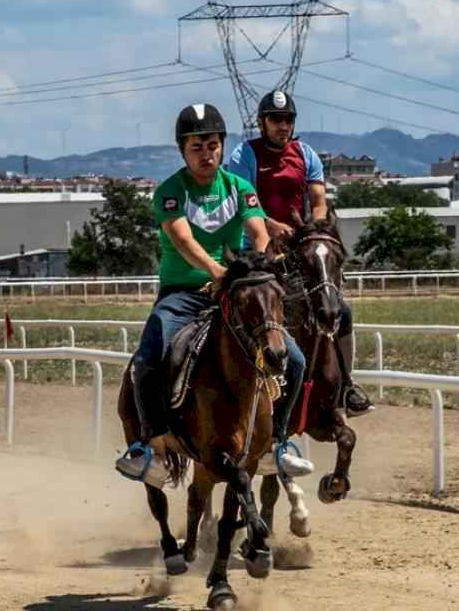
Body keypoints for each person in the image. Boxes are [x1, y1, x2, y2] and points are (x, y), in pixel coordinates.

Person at [116, 103, 311, 484]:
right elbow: (183, 239)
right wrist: (215, 270)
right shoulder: (170, 192)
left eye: (212, 145)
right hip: (182, 293)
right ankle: (148, 444)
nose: (206, 154)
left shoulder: (240, 188)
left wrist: (253, 265)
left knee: (297, 359)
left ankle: (279, 443)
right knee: (148, 355)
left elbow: (257, 230)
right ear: (183, 151)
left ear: (222, 146)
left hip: (234, 292)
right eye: (196, 148)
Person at [225, 90, 375, 418]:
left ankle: (346, 385)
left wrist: (315, 228)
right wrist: (269, 225)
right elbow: (240, 202)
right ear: (262, 122)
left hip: (297, 255)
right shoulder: (244, 155)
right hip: (256, 254)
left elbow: (318, 199)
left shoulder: (306, 154)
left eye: (288, 119)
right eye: (276, 119)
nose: (283, 125)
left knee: (340, 311)